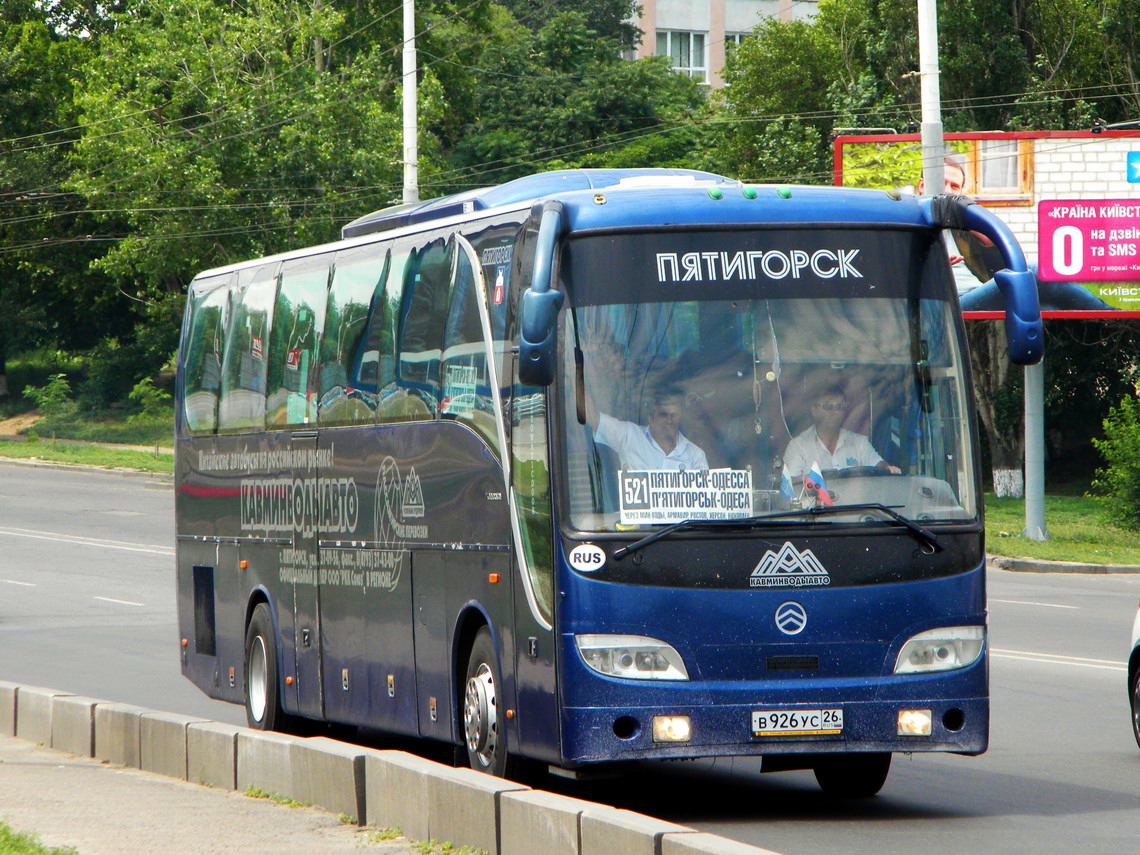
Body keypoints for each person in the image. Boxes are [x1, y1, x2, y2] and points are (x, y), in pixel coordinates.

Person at [782, 385, 900, 479]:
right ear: (814, 410)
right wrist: (815, 480)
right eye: (828, 407)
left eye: (839, 407)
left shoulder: (859, 442)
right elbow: (790, 484)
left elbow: (878, 464)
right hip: (815, 508)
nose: (835, 412)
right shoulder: (798, 446)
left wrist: (889, 468)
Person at [587, 389, 708, 471]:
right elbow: (593, 418)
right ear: (651, 418)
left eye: (674, 415)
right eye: (663, 415)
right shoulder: (629, 436)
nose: (669, 420)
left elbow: (703, 501)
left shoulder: (695, 455)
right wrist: (575, 370)